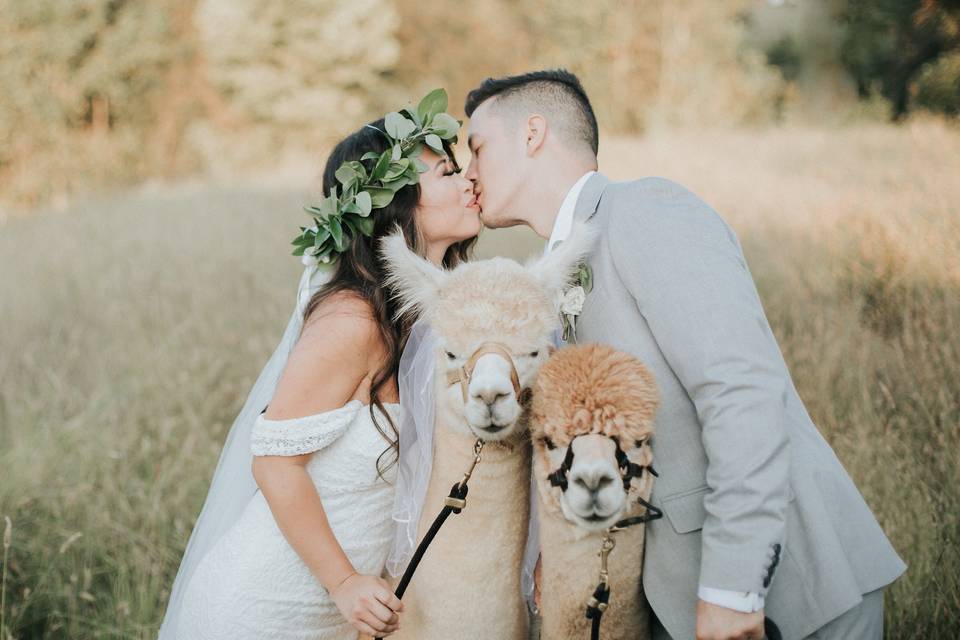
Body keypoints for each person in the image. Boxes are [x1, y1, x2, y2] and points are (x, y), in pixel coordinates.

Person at [462, 69, 906, 640]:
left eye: (477, 148)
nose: (469, 171)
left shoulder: (645, 210)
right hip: (677, 599)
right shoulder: (555, 272)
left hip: (787, 593)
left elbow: (739, 391)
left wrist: (732, 585)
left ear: (532, 134)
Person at [159, 97, 482, 639]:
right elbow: (274, 464)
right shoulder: (354, 321)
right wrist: (344, 583)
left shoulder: (423, 318)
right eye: (448, 172)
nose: (469, 180)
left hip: (338, 617)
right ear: (396, 204)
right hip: (263, 609)